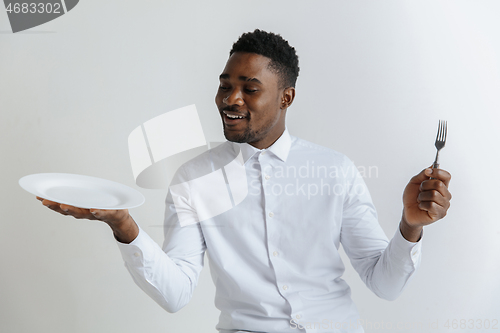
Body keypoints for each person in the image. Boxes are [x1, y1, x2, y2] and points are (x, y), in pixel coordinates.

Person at [37, 29, 452, 333]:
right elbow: (176, 293)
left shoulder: (334, 170)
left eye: (249, 89)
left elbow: (385, 284)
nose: (229, 99)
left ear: (285, 97)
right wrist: (125, 228)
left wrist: (410, 226)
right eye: (225, 86)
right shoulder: (194, 179)